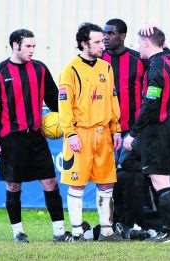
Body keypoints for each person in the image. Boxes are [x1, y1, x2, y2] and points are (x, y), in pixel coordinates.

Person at [0, 29, 68, 243]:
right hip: (11, 139)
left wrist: (69, 121)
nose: (32, 50)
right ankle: (18, 232)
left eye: (34, 46)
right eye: (28, 46)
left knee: (50, 182)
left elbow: (54, 101)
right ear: (15, 45)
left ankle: (60, 231)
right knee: (13, 185)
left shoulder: (40, 69)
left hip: (36, 136)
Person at [58, 23, 122, 241]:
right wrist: (71, 133)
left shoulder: (106, 67)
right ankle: (76, 231)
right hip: (81, 133)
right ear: (84, 44)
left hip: (103, 133)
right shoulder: (71, 69)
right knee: (77, 183)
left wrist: (116, 129)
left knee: (106, 183)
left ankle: (106, 230)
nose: (102, 45)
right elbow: (64, 105)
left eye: (102, 40)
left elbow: (113, 99)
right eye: (96, 41)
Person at [123, 27, 170, 243]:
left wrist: (133, 133)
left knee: (159, 179)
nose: (138, 49)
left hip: (158, 129)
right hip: (168, 125)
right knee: (161, 178)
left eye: (139, 44)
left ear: (147, 44)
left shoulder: (156, 67)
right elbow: (165, 47)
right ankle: (169, 229)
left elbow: (150, 104)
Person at [101, 18, 147, 226]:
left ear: (122, 36)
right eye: (105, 33)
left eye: (110, 33)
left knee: (133, 177)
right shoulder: (99, 60)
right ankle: (111, 221)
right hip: (104, 130)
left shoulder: (139, 60)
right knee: (107, 179)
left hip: (132, 130)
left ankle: (134, 221)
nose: (106, 37)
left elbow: (169, 60)